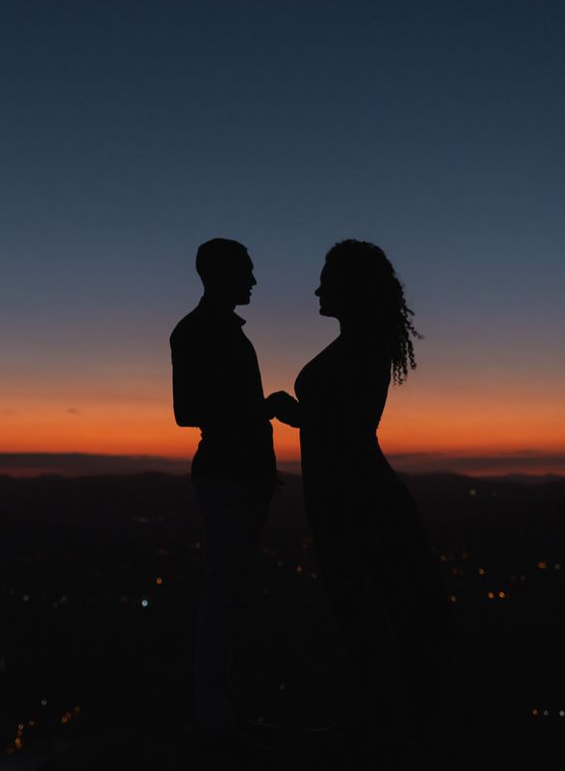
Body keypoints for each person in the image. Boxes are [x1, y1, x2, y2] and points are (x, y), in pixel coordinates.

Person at [268, 240, 450, 753]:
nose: (318, 288)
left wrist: (296, 412)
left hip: (357, 496)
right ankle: (372, 720)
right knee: (359, 612)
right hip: (343, 492)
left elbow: (351, 424)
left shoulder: (364, 344)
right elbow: (340, 420)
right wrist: (298, 414)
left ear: (349, 287)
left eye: (327, 279)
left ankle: (384, 730)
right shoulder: (359, 341)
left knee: (367, 613)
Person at [170, 239, 277, 740]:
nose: (254, 281)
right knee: (221, 600)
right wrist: (263, 409)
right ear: (221, 273)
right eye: (247, 272)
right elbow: (187, 412)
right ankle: (215, 719)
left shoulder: (219, 331)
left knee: (228, 598)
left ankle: (221, 711)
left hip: (239, 478)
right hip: (227, 478)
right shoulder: (197, 331)